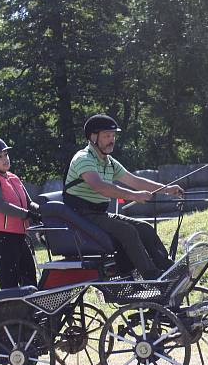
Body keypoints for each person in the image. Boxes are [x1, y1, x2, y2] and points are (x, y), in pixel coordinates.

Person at [63, 114, 184, 280]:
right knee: (127, 231)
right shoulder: (83, 158)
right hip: (81, 216)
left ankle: (167, 269)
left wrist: (167, 189)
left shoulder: (109, 162)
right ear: (93, 137)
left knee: (144, 227)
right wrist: (134, 195)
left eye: (113, 136)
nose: (111, 140)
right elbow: (100, 187)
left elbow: (133, 180)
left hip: (98, 214)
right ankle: (152, 277)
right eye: (106, 136)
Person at [0, 137, 40, 289]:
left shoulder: (13, 177)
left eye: (6, 155)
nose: (5, 159)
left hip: (20, 237)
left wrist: (46, 210)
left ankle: (29, 313)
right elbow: (0, 206)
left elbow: (30, 204)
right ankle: (11, 313)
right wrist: (27, 214)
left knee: (30, 281)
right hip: (2, 240)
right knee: (10, 286)